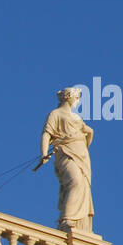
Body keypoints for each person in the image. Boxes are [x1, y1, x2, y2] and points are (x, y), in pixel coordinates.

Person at [41, 88, 95, 230]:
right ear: (68, 97)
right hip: (65, 152)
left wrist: (82, 144)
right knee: (74, 181)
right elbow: (47, 134)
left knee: (82, 184)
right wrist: (44, 153)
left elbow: (90, 131)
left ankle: (75, 222)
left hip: (81, 154)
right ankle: (66, 218)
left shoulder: (77, 118)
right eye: (77, 97)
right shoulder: (55, 114)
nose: (78, 101)